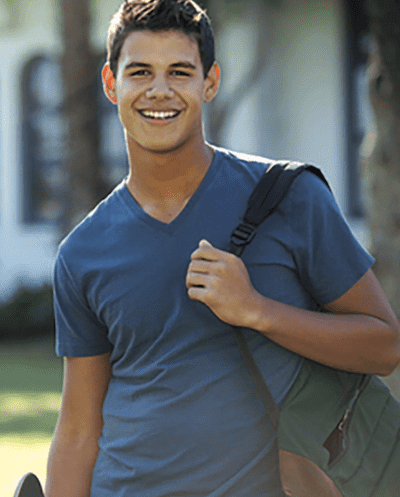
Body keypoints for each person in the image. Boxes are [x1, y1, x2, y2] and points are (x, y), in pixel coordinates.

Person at [45, 1, 400, 496]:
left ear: (210, 82)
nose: (159, 90)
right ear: (111, 83)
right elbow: (79, 431)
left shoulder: (289, 197)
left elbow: (384, 346)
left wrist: (258, 311)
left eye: (180, 72)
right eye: (140, 72)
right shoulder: (82, 252)